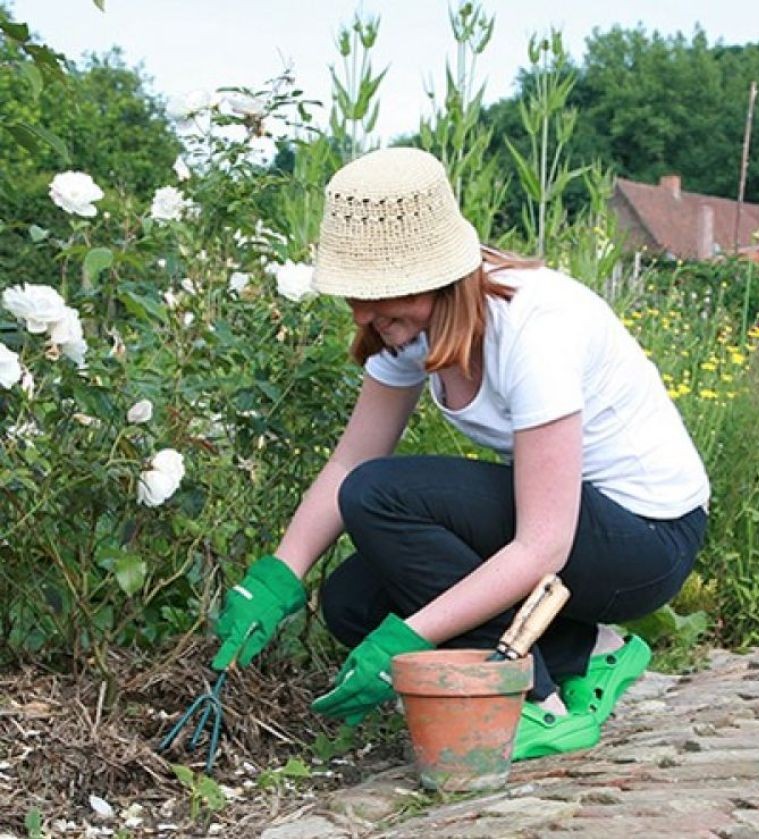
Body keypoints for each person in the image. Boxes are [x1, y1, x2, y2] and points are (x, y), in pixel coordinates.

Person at [212, 146, 710, 760]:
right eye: (355, 293)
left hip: (645, 542)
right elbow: (348, 460)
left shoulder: (535, 326)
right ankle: (593, 651)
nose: (365, 314)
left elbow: (543, 545)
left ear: (438, 274)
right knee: (353, 601)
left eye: (381, 292)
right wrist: (275, 580)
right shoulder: (404, 326)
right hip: (576, 536)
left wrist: (408, 639)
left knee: (380, 497)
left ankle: (533, 700)